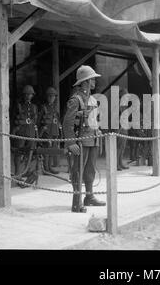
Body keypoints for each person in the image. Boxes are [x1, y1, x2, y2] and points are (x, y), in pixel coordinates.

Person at [62, 65, 106, 212]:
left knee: (90, 170)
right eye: (92, 79)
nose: (94, 81)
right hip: (81, 140)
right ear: (85, 81)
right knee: (78, 170)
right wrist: (71, 142)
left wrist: (97, 130)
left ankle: (89, 196)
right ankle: (76, 202)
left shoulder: (92, 99)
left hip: (93, 139)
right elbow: (67, 123)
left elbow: (93, 119)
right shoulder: (76, 100)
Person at [11, 85, 38, 176]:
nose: (28, 96)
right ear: (23, 95)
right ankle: (17, 172)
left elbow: (35, 121)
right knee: (18, 152)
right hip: (20, 131)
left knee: (29, 152)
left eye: (30, 94)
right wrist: (13, 131)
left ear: (32, 95)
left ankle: (27, 171)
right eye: (26, 94)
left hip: (30, 131)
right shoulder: (18, 105)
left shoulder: (34, 106)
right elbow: (13, 119)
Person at [38, 87, 61, 175]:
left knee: (51, 150)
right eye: (50, 96)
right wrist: (41, 130)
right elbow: (39, 120)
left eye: (53, 96)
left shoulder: (55, 108)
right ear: (47, 97)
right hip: (46, 132)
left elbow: (57, 121)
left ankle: (50, 167)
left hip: (54, 131)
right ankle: (46, 168)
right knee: (46, 150)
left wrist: (59, 131)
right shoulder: (44, 108)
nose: (52, 98)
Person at [117, 87, 129, 171]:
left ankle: (120, 162)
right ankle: (117, 164)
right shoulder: (119, 104)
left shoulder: (124, 104)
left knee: (123, 147)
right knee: (119, 147)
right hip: (121, 127)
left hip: (125, 127)